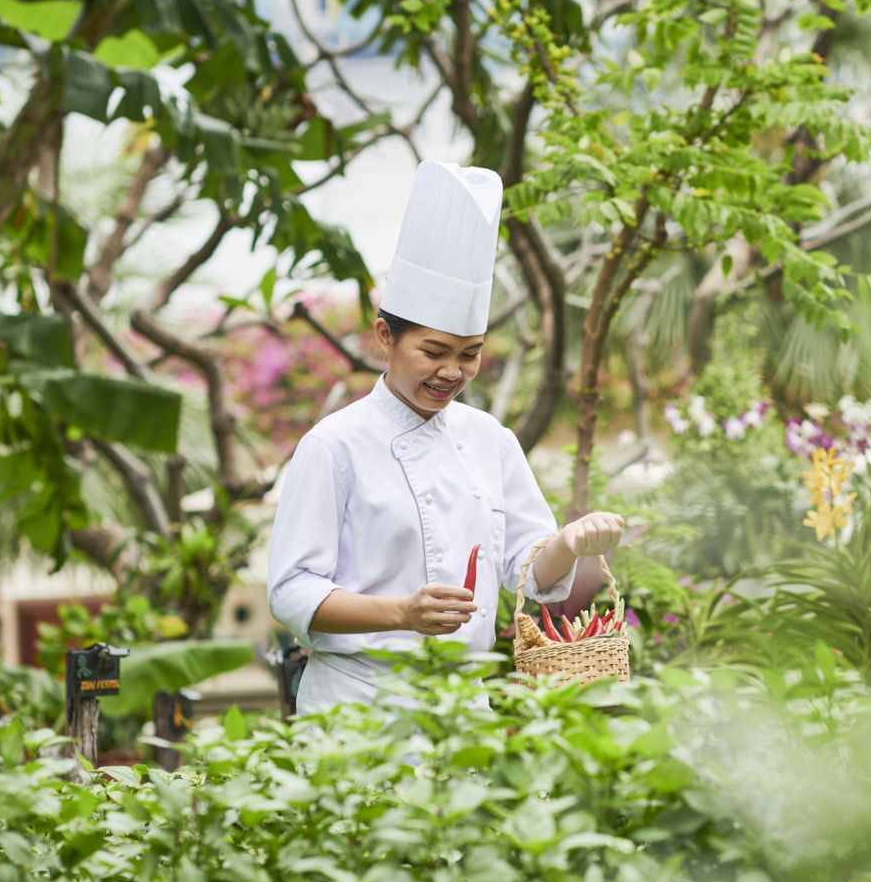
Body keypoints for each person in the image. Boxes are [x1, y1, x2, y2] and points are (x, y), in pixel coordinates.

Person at [267, 160, 624, 713]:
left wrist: (570, 542)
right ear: (386, 336)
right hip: (359, 707)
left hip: (464, 708)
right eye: (433, 352)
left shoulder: (490, 439)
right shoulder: (334, 445)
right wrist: (401, 614)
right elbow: (291, 592)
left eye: (470, 355)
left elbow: (528, 575)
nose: (452, 373)